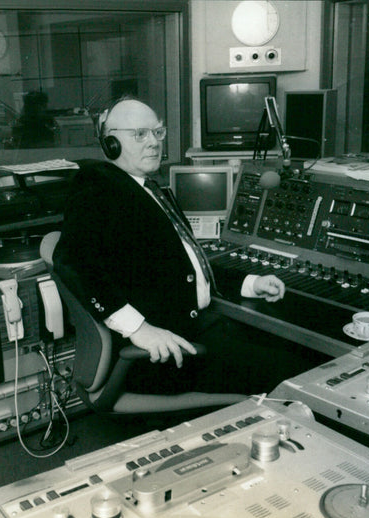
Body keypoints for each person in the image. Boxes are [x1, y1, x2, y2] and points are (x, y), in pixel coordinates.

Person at [53, 97, 294, 395]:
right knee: (293, 370)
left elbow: (184, 264)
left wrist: (251, 282)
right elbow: (72, 260)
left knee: (283, 350)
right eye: (140, 134)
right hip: (166, 354)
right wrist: (140, 330)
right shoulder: (97, 186)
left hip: (196, 329)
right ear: (110, 143)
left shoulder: (147, 188)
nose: (154, 143)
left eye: (157, 132)